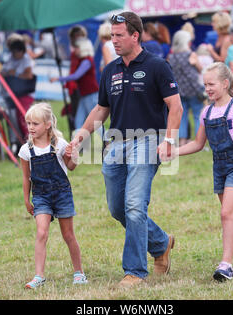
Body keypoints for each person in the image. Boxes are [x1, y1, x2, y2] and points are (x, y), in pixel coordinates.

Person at [70, 11, 183, 288]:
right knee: (118, 208)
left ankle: (134, 271)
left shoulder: (157, 66)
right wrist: (79, 140)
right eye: (111, 36)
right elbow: (100, 109)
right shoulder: (110, 70)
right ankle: (160, 242)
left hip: (148, 140)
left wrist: (168, 141)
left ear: (135, 35)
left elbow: (176, 106)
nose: (113, 41)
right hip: (116, 144)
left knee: (134, 205)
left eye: (119, 35)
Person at [176, 62, 233, 281]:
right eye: (205, 85)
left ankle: (225, 264)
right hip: (219, 167)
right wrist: (173, 152)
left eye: (211, 84)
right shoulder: (207, 112)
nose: (208, 89)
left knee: (226, 214)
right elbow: (197, 143)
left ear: (225, 83)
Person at [19, 102, 87, 289]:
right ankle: (39, 276)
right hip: (40, 196)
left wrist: (73, 155)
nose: (31, 127)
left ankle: (79, 272)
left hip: (62, 194)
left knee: (68, 235)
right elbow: (26, 178)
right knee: (41, 233)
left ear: (48, 124)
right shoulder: (26, 150)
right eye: (29, 123)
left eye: (35, 124)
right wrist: (26, 199)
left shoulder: (59, 145)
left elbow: (71, 167)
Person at [50, 38, 100, 135]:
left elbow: (76, 75)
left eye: (77, 47)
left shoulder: (87, 61)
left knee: (95, 122)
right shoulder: (84, 61)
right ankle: (78, 144)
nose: (75, 50)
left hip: (90, 95)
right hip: (84, 95)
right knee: (79, 121)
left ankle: (106, 141)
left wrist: (58, 79)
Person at [168, 30, 205, 146]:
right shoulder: (191, 55)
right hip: (194, 90)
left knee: (182, 116)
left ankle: (182, 141)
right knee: (197, 115)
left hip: (179, 90)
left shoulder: (171, 57)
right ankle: (199, 141)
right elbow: (200, 69)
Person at [1, 33, 35, 143]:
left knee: (23, 118)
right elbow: (2, 72)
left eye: (16, 51)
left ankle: (30, 140)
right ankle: (17, 141)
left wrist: (14, 74)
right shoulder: (10, 59)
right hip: (11, 93)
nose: (14, 54)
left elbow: (29, 75)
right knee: (13, 120)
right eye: (13, 51)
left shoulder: (26, 60)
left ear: (21, 51)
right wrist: (7, 73)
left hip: (24, 94)